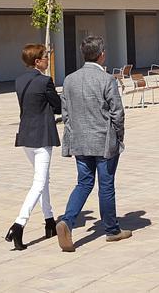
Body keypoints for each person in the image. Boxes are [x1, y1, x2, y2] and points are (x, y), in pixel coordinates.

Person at [54, 35, 130, 252]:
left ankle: (67, 221)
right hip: (104, 141)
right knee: (106, 185)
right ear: (101, 54)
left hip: (80, 140)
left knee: (84, 182)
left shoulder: (69, 80)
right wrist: (119, 136)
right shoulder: (106, 80)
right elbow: (117, 113)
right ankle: (112, 230)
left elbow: (66, 113)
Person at [4, 44, 61, 250]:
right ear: (37, 61)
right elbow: (58, 106)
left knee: (43, 179)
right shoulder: (45, 81)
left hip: (26, 135)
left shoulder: (19, 81)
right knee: (39, 182)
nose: (48, 59)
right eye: (46, 57)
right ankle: (19, 224)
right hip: (42, 136)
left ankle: (49, 221)